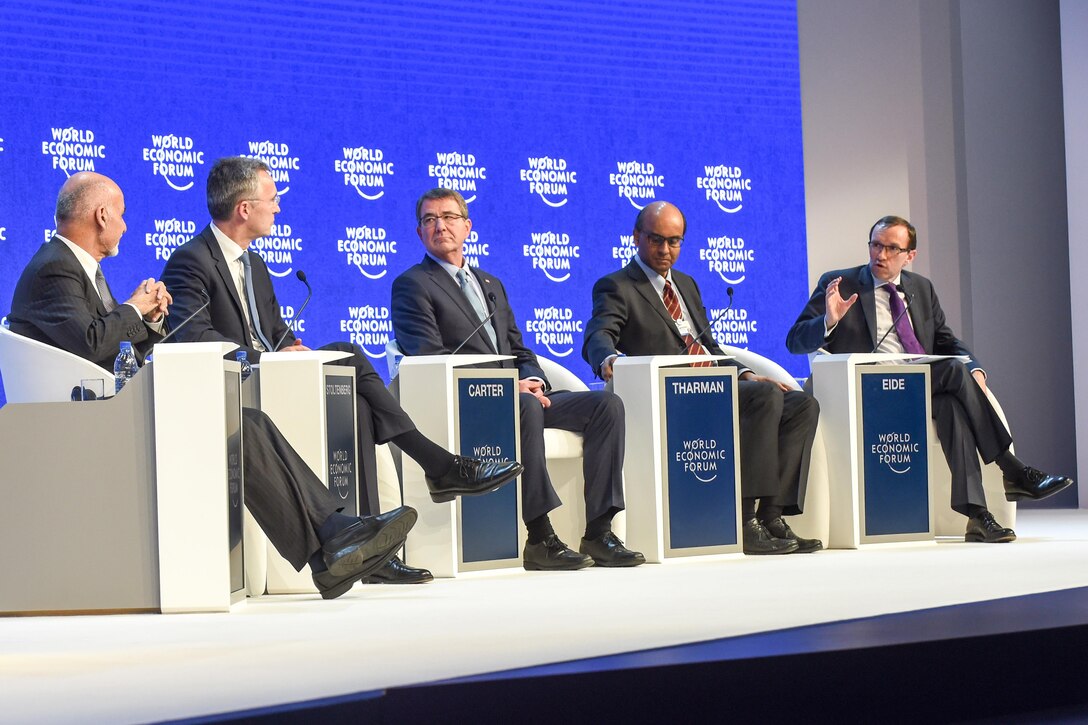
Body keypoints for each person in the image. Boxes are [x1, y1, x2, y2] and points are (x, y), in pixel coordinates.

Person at [7, 171, 418, 599]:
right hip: (81, 423)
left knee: (246, 421)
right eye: (123, 215)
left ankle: (331, 542)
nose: (126, 226)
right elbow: (92, 344)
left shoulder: (76, 268)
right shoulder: (56, 267)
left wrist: (147, 321)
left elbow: (106, 345)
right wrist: (133, 307)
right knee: (238, 422)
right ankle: (331, 546)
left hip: (103, 410)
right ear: (102, 214)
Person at [159, 157, 523, 584]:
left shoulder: (254, 265)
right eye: (272, 199)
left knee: (355, 390)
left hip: (271, 375)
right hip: (235, 384)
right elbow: (196, 337)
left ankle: (371, 552)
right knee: (349, 356)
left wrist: (290, 348)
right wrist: (269, 359)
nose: (277, 208)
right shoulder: (191, 261)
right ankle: (437, 466)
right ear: (244, 208)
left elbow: (273, 330)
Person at [390, 188, 643, 570]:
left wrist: (534, 380)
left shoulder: (491, 284)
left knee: (605, 405)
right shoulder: (412, 285)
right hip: (466, 401)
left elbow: (520, 350)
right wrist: (511, 389)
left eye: (448, 217)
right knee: (524, 406)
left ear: (467, 227)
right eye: (429, 219)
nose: (439, 225)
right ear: (419, 232)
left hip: (519, 395)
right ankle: (540, 536)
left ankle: (599, 531)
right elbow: (430, 359)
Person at [786, 215, 1073, 542]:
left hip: (915, 385)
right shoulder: (840, 282)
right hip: (864, 386)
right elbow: (794, 341)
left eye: (892, 248)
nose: (880, 255)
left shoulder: (921, 288)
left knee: (952, 404)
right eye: (876, 245)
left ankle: (977, 516)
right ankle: (1012, 468)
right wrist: (829, 320)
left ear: (910, 255)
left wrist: (975, 366)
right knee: (952, 370)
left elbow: (945, 340)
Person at [583, 201, 822, 555]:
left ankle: (772, 516)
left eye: (674, 241)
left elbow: (706, 345)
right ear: (636, 237)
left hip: (714, 383)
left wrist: (744, 373)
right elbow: (598, 334)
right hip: (673, 392)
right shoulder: (617, 285)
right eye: (656, 240)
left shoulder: (686, 284)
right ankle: (744, 521)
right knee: (765, 399)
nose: (665, 250)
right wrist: (609, 359)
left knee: (800, 403)